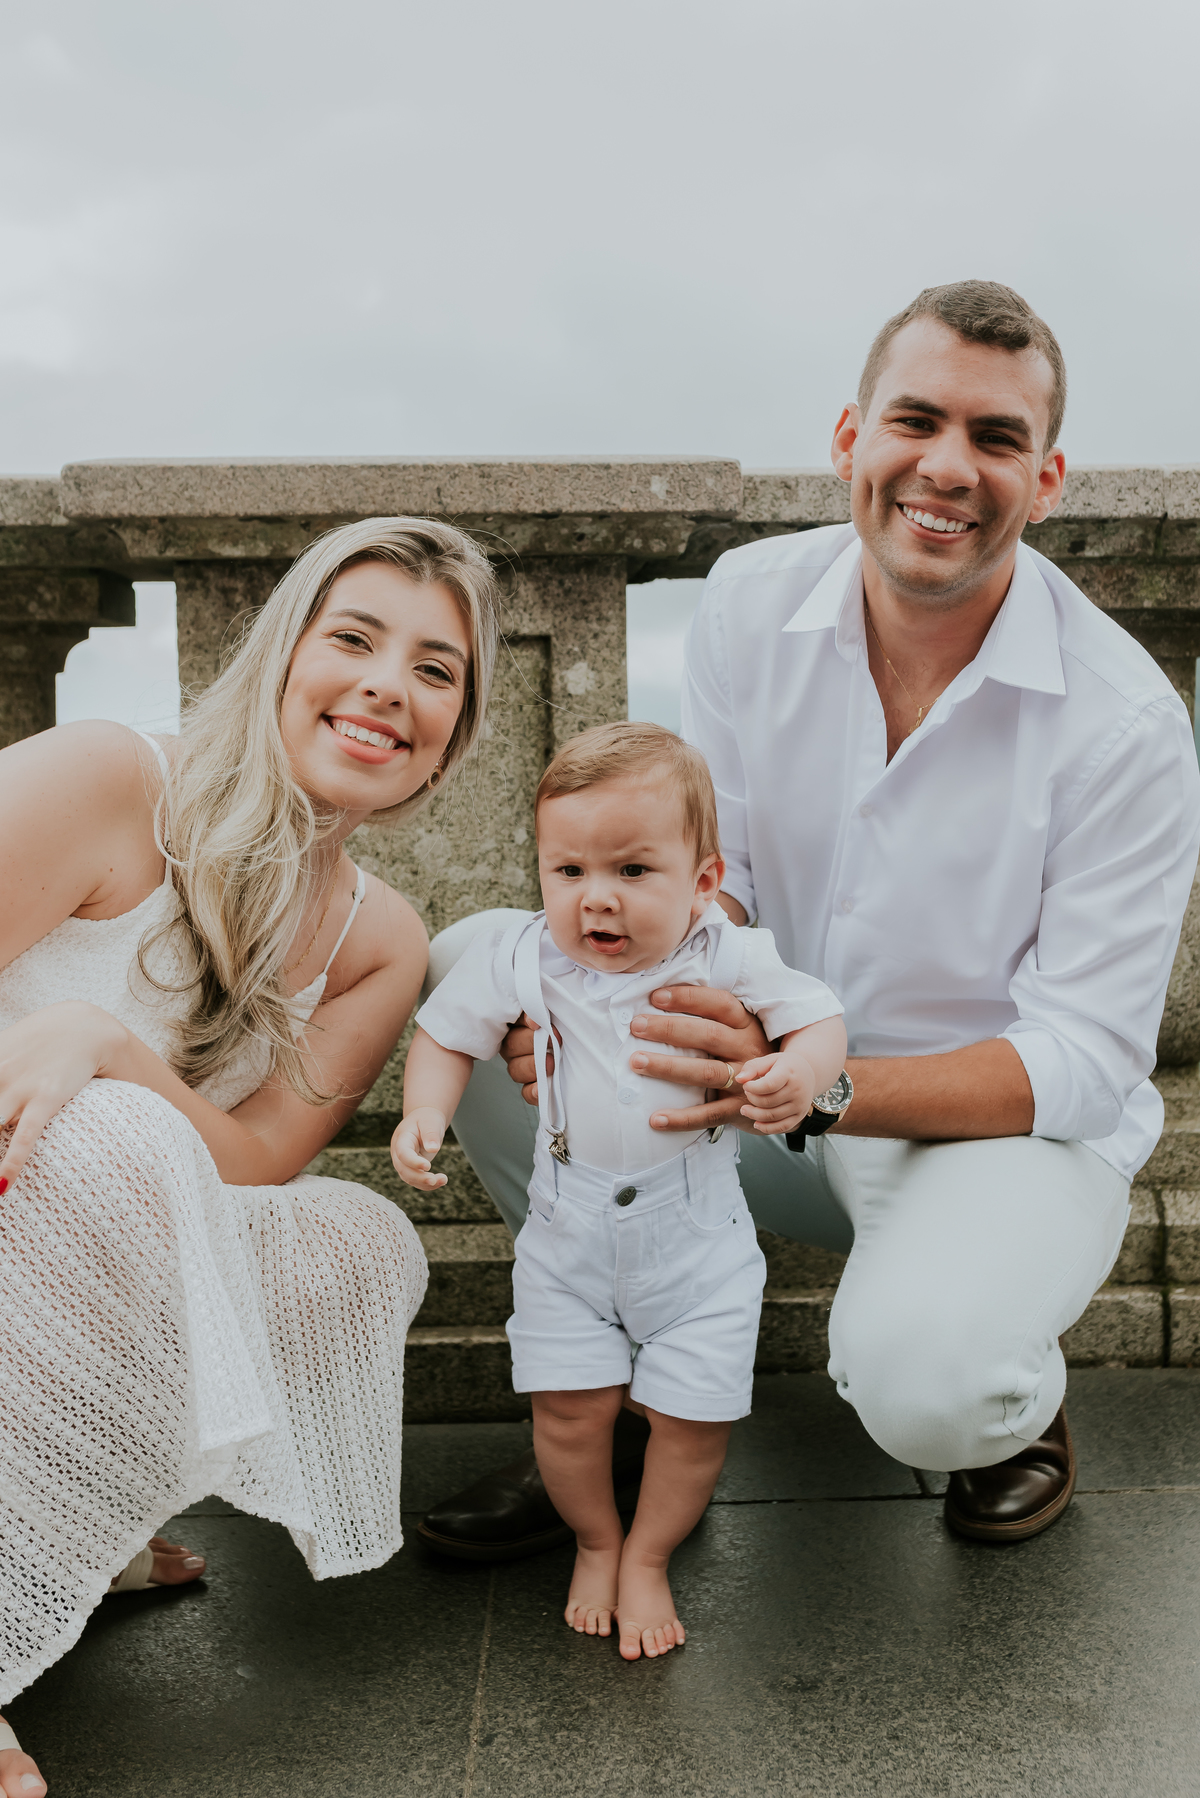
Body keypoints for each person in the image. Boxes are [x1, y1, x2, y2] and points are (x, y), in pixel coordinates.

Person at [416, 280, 1200, 1567]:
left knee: (929, 1390)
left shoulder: (1123, 723)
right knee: (478, 970)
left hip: (983, 1133)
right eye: (916, 421)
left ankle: (1009, 1403)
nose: (948, 467)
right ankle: (619, 1392)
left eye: (996, 439)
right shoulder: (745, 600)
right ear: (850, 440)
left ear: (1046, 478)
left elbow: (1083, 1061)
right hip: (766, 1090)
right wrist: (679, 1005)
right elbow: (710, 879)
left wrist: (819, 1086)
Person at [0, 517, 499, 1798]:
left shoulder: (382, 938)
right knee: (105, 1145)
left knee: (350, 1245)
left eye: (437, 669)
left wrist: (105, 1041)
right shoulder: (113, 781)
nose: (392, 683)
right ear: (282, 655)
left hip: (107, 1203)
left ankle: (64, 1516)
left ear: (456, 730)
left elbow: (253, 1160)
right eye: (356, 638)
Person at [393, 723, 845, 1658]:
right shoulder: (524, 956)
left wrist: (799, 1072)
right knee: (567, 1407)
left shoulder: (727, 955)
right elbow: (446, 1032)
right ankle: (596, 1540)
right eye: (569, 872)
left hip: (698, 1241)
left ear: (704, 879)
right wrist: (423, 1113)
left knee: (691, 1421)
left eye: (634, 871)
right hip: (569, 1234)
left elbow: (820, 1017)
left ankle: (649, 1553)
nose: (596, 900)